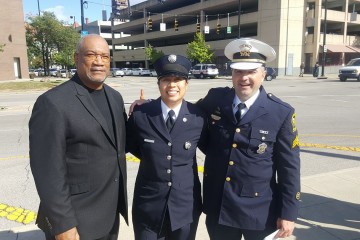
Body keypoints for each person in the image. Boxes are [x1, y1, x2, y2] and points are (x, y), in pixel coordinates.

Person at [196, 38, 301, 240]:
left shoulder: (280, 113)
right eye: (238, 71)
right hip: (220, 207)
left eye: (251, 71)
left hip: (260, 212)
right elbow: (186, 113)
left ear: (263, 73)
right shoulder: (215, 100)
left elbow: (290, 168)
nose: (244, 78)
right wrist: (149, 105)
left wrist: (289, 213)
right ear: (231, 74)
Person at [29, 34, 128, 240]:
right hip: (76, 220)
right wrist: (63, 225)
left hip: (109, 215)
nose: (99, 62)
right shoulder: (53, 103)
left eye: (104, 56)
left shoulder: (115, 98)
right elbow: (48, 172)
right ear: (76, 58)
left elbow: (118, 145)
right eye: (91, 55)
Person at [126, 54, 207, 240]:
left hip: (185, 208)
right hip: (148, 208)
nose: (172, 85)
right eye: (166, 80)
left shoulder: (199, 117)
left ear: (186, 84)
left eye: (178, 79)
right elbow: (128, 146)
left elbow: (214, 149)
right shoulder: (142, 116)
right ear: (158, 84)